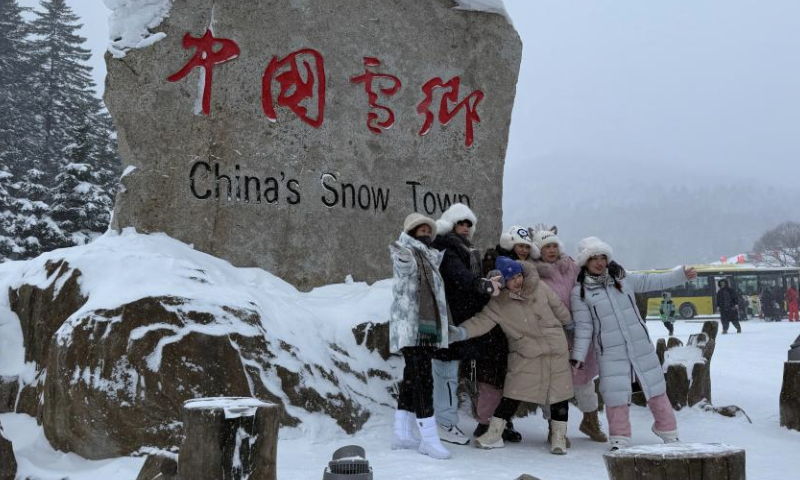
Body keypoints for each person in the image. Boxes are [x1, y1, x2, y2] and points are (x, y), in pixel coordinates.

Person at [570, 237, 697, 451]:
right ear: (585, 262)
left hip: (639, 345)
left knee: (655, 388)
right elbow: (584, 327)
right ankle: (620, 437)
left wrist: (680, 275)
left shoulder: (623, 279)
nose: (600, 263)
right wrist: (578, 356)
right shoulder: (580, 292)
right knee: (615, 393)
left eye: (603, 257)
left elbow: (651, 281)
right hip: (609, 351)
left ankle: (668, 430)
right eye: (594, 258)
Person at [450, 257, 574, 454]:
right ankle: (494, 434)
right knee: (512, 394)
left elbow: (557, 306)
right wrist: (461, 332)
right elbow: (481, 322)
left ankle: (558, 437)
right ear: (502, 281)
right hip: (526, 353)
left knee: (560, 394)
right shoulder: (498, 304)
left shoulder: (539, 287)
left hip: (555, 348)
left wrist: (569, 325)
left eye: (518, 275)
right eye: (511, 278)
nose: (517, 280)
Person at [430, 203, 501, 445]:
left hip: (457, 317)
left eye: (469, 224)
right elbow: (457, 275)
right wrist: (480, 284)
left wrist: (483, 283)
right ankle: (444, 423)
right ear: (450, 224)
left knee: (448, 372)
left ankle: (444, 421)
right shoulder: (446, 247)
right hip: (446, 316)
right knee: (445, 373)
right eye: (460, 223)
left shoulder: (464, 249)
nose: (465, 227)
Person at [531, 226, 607, 444]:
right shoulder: (535, 273)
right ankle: (554, 427)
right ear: (539, 251)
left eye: (555, 245)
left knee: (583, 382)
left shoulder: (572, 266)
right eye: (547, 247)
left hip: (579, 334)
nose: (552, 250)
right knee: (552, 385)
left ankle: (590, 421)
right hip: (553, 335)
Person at [388, 213, 454, 459]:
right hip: (412, 328)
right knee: (423, 379)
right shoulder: (407, 253)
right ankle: (429, 438)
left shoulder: (430, 257)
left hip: (424, 330)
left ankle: (402, 433)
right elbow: (404, 267)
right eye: (420, 229)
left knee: (412, 377)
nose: (426, 232)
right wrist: (404, 256)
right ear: (411, 232)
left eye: (429, 229)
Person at [471, 225, 538, 442]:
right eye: (520, 246)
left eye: (527, 247)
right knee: (491, 380)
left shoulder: (529, 267)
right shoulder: (494, 260)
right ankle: (484, 424)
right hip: (494, 331)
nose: (523, 250)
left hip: (517, 332)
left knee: (510, 382)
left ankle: (503, 422)